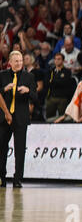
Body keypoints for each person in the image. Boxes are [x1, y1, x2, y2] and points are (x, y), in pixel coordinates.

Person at [0, 51, 37, 188]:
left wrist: (28, 91)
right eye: (16, 61)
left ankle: (17, 178)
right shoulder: (2, 75)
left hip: (21, 118)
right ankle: (1, 177)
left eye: (21, 61)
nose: (19, 63)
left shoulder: (29, 76)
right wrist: (4, 89)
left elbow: (36, 98)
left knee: (20, 149)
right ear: (10, 62)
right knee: (2, 148)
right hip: (4, 117)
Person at [46, 53, 73, 121]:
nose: (57, 61)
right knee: (49, 117)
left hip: (62, 98)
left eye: (59, 59)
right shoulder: (51, 71)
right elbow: (47, 82)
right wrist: (57, 81)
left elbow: (64, 83)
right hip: (52, 97)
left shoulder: (67, 72)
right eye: (55, 59)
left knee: (62, 118)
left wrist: (53, 82)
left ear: (63, 60)